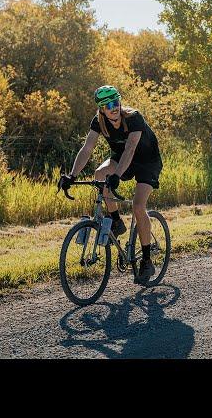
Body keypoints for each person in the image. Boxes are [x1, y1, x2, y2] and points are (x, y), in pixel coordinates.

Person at [58, 85, 163, 285]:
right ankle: (116, 220)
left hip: (147, 162)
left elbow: (131, 148)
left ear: (120, 102)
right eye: (107, 105)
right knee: (99, 174)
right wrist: (71, 175)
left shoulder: (133, 117)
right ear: (101, 109)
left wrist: (117, 175)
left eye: (115, 102)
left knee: (138, 206)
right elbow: (87, 148)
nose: (113, 107)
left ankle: (147, 261)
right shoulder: (99, 122)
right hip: (121, 159)